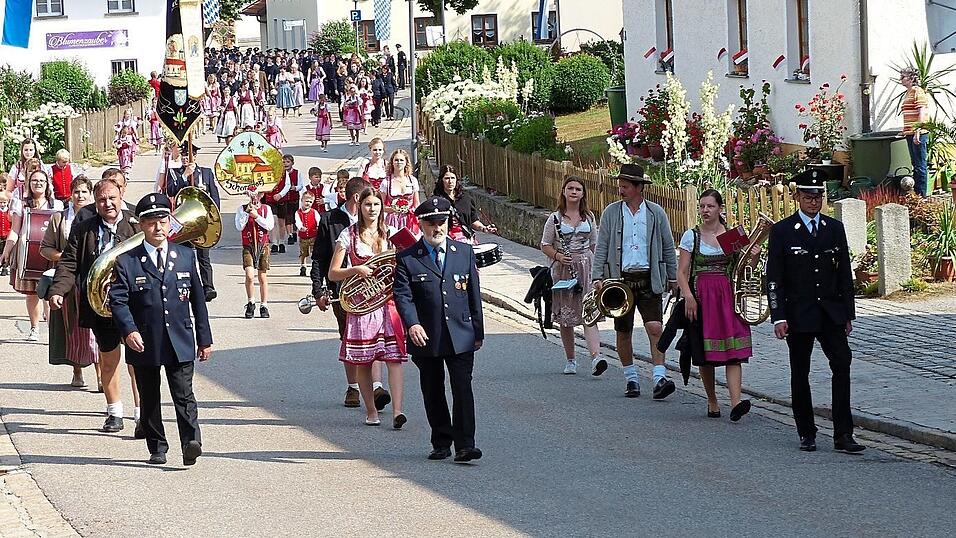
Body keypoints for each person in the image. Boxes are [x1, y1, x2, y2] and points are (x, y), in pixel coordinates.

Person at [109, 192, 212, 466]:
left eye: (163, 221)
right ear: (141, 225)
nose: (158, 227)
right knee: (150, 394)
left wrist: (205, 339)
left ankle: (191, 441)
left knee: (184, 393)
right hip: (145, 339)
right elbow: (118, 301)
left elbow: (198, 301)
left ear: (170, 223)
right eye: (151, 222)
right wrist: (129, 331)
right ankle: (157, 446)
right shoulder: (127, 261)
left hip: (180, 337)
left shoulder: (186, 256)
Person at [766, 169, 864, 453]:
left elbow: (844, 273)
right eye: (808, 196)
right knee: (800, 371)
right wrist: (778, 316)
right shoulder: (783, 231)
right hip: (799, 314)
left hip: (831, 313)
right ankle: (806, 432)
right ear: (797, 197)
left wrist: (848, 313)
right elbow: (775, 278)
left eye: (818, 196)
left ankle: (843, 434)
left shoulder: (834, 229)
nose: (814, 201)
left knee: (842, 364)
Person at [393, 197, 484, 462]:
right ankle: (441, 441)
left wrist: (477, 331)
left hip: (461, 332)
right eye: (431, 223)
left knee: (462, 388)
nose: (437, 228)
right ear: (420, 224)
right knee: (433, 389)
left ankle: (466, 444)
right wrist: (413, 324)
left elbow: (474, 296)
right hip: (426, 335)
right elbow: (403, 296)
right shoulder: (408, 258)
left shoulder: (464, 253)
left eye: (441, 222)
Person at [48, 178, 138, 434]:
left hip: (133, 306)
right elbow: (68, 264)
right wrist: (58, 291)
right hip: (101, 307)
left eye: (112, 198)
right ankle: (115, 412)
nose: (107, 203)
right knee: (108, 361)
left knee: (137, 363)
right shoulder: (84, 228)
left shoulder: (135, 224)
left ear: (121, 195)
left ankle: (142, 414)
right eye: (101, 199)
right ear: (95, 202)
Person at [591, 163, 678, 399]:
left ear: (639, 188)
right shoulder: (611, 212)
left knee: (655, 328)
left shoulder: (655, 213)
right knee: (623, 331)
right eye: (620, 186)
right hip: (621, 280)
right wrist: (597, 276)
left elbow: (668, 246)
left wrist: (673, 276)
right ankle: (631, 378)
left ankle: (659, 377)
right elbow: (602, 246)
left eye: (626, 186)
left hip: (649, 278)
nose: (621, 190)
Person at [311, 176, 391, 409]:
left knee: (375, 337)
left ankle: (377, 387)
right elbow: (319, 258)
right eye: (366, 202)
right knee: (349, 337)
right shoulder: (330, 219)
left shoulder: (377, 223)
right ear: (358, 199)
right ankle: (353, 387)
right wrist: (318, 291)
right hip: (343, 291)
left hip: (375, 292)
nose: (371, 207)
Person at [328, 187, 405, 426]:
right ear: (359, 206)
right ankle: (371, 410)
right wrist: (356, 270)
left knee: (394, 358)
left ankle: (397, 412)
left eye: (376, 205)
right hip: (361, 305)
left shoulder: (391, 233)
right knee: (364, 359)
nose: (372, 209)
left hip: (388, 303)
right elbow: (333, 273)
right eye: (367, 204)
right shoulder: (347, 236)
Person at [675, 189, 752, 421]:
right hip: (701, 297)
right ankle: (712, 400)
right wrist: (688, 296)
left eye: (710, 206)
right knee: (705, 350)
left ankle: (736, 402)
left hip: (727, 296)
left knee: (733, 351)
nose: (705, 210)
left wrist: (754, 254)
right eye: (702, 206)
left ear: (720, 208)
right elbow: (681, 271)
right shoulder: (693, 236)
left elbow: (744, 268)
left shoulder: (731, 235)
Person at [540, 176, 605, 376]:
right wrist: (558, 256)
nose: (574, 192)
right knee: (566, 316)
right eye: (570, 188)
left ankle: (596, 357)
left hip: (586, 266)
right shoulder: (555, 218)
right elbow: (545, 244)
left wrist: (599, 272)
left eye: (578, 189)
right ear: (564, 192)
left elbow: (595, 244)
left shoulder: (590, 217)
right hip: (564, 270)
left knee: (589, 313)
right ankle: (571, 359)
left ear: (583, 193)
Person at [40, 175, 99, 388]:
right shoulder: (60, 218)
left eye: (84, 191)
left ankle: (102, 376)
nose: (80, 195)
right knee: (74, 329)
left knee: (97, 330)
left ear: (90, 194)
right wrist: (67, 256)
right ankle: (77, 372)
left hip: (94, 279)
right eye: (76, 192)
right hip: (69, 279)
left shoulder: (98, 216)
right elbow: (45, 248)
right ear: (70, 195)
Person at [1, 170, 64, 341]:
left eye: (42, 180)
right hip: (27, 254)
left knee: (50, 290)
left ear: (47, 183)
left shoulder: (56, 205)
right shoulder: (21, 204)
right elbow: (14, 230)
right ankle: (34, 327)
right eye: (35, 180)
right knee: (32, 293)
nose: (38, 183)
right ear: (29, 183)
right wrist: (6, 252)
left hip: (50, 254)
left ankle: (52, 331)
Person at [164, 143, 221, 301]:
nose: (185, 158)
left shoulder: (206, 173)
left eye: (188, 156)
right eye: (182, 155)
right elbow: (171, 190)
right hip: (184, 222)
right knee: (184, 256)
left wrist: (213, 218)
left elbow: (214, 197)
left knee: (204, 256)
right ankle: (185, 286)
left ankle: (208, 287)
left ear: (194, 157)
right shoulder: (174, 173)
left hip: (201, 220)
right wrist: (185, 175)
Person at [235, 186, 274, 319]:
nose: (255, 197)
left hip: (263, 245)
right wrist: (247, 213)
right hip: (248, 245)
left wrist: (257, 216)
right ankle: (251, 301)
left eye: (257, 194)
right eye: (252, 194)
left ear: (261, 195)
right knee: (250, 275)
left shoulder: (266, 209)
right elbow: (239, 226)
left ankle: (264, 304)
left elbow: (269, 226)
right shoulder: (241, 208)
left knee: (262, 276)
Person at [433, 165, 496, 243]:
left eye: (453, 178)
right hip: (446, 241)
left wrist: (483, 228)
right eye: (447, 178)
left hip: (467, 238)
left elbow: (473, 221)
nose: (450, 181)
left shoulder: (466, 198)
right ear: (441, 180)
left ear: (456, 180)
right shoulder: (436, 201)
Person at [899, 66, 930, 197]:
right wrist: (905, 130)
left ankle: (922, 195)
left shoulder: (918, 91)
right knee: (915, 164)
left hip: (918, 134)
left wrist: (917, 131)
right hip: (910, 134)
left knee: (920, 165)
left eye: (903, 77)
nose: (901, 79)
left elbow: (921, 112)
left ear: (912, 78)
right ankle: (917, 194)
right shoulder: (908, 92)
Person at [381, 149, 421, 237]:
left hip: (410, 219)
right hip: (393, 220)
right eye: (396, 160)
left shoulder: (413, 180)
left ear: (406, 162)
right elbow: (381, 205)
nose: (399, 162)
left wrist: (417, 218)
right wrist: (393, 209)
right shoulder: (386, 182)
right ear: (392, 162)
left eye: (401, 160)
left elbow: (416, 203)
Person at [295, 191, 320, 277]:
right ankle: (303, 266)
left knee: (315, 252)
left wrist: (318, 227)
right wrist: (300, 227)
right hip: (303, 237)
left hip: (313, 236)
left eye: (310, 202)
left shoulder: (314, 212)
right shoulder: (298, 212)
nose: (308, 203)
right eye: (306, 201)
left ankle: (314, 267)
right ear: (301, 200)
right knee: (303, 252)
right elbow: (297, 221)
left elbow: (318, 221)